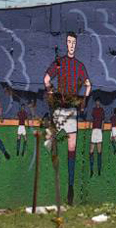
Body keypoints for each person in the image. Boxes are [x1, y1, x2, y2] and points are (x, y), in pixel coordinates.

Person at [44, 32, 91, 205]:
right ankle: (58, 184)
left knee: (70, 148)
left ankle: (69, 188)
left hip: (70, 109)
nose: (71, 45)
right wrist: (51, 92)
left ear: (76, 44)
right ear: (66, 44)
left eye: (73, 42)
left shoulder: (78, 66)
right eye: (69, 42)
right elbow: (46, 79)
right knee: (54, 144)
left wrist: (83, 100)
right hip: (61, 109)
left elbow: (88, 85)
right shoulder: (60, 63)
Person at [89, 100, 104, 177]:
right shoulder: (94, 110)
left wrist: (102, 129)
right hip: (94, 130)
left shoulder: (101, 110)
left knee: (99, 151)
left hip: (99, 131)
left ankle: (99, 170)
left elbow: (103, 120)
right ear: (96, 103)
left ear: (99, 103)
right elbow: (92, 119)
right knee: (91, 151)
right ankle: (91, 169)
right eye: (97, 102)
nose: (97, 103)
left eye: (98, 102)